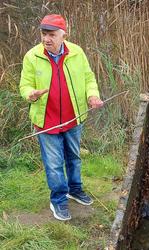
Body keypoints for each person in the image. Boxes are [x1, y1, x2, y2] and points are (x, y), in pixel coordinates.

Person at [19, 14, 103, 221]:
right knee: (54, 163)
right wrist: (30, 94)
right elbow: (25, 85)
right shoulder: (32, 56)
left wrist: (93, 95)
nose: (46, 39)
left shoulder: (77, 52)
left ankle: (75, 189)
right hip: (46, 121)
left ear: (63, 35)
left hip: (73, 118)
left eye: (52, 35)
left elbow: (88, 77)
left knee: (74, 157)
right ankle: (58, 200)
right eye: (43, 34)